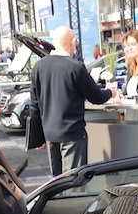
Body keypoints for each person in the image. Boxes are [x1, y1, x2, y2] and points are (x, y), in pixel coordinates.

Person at [29, 24, 114, 176]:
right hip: (72, 133)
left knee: (56, 181)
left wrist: (38, 137)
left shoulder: (38, 67)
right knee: (75, 180)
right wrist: (111, 92)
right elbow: (96, 97)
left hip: (50, 134)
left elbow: (35, 104)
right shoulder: (75, 67)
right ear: (73, 42)